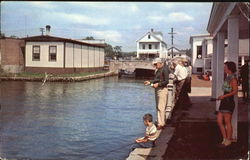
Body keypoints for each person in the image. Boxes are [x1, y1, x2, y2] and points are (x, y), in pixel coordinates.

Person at [144, 58, 169, 130]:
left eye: (156, 64)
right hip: (158, 89)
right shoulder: (158, 70)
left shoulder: (165, 69)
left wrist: (158, 84)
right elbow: (157, 79)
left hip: (162, 90)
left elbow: (166, 81)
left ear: (160, 63)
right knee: (158, 106)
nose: (155, 65)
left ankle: (161, 123)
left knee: (161, 107)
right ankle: (159, 122)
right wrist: (150, 82)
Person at [217, 61, 238, 147]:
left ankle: (228, 140)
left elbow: (235, 91)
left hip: (228, 101)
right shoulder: (228, 77)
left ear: (229, 68)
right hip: (224, 101)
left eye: (225, 67)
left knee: (227, 121)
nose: (224, 68)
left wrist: (224, 96)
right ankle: (225, 138)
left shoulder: (233, 78)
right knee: (219, 121)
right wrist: (223, 97)